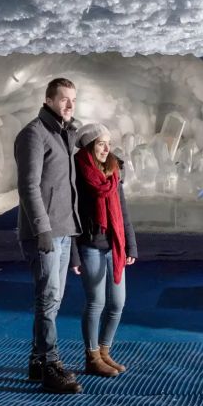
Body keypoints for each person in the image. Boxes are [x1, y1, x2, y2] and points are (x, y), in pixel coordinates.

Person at [14, 77, 83, 394]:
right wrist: (41, 228)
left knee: (52, 300)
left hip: (63, 231)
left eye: (73, 99)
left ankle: (37, 360)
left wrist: (71, 233)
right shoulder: (34, 134)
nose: (69, 104)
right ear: (49, 99)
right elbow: (29, 187)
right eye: (64, 99)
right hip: (44, 232)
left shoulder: (63, 134)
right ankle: (52, 364)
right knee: (48, 298)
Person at [70, 123, 137, 377]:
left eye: (108, 143)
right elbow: (71, 215)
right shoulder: (77, 172)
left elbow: (122, 209)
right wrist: (74, 253)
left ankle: (105, 352)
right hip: (90, 246)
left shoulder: (114, 170)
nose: (106, 148)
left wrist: (131, 244)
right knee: (96, 302)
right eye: (100, 143)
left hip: (114, 245)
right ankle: (92, 356)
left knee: (118, 303)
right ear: (89, 146)